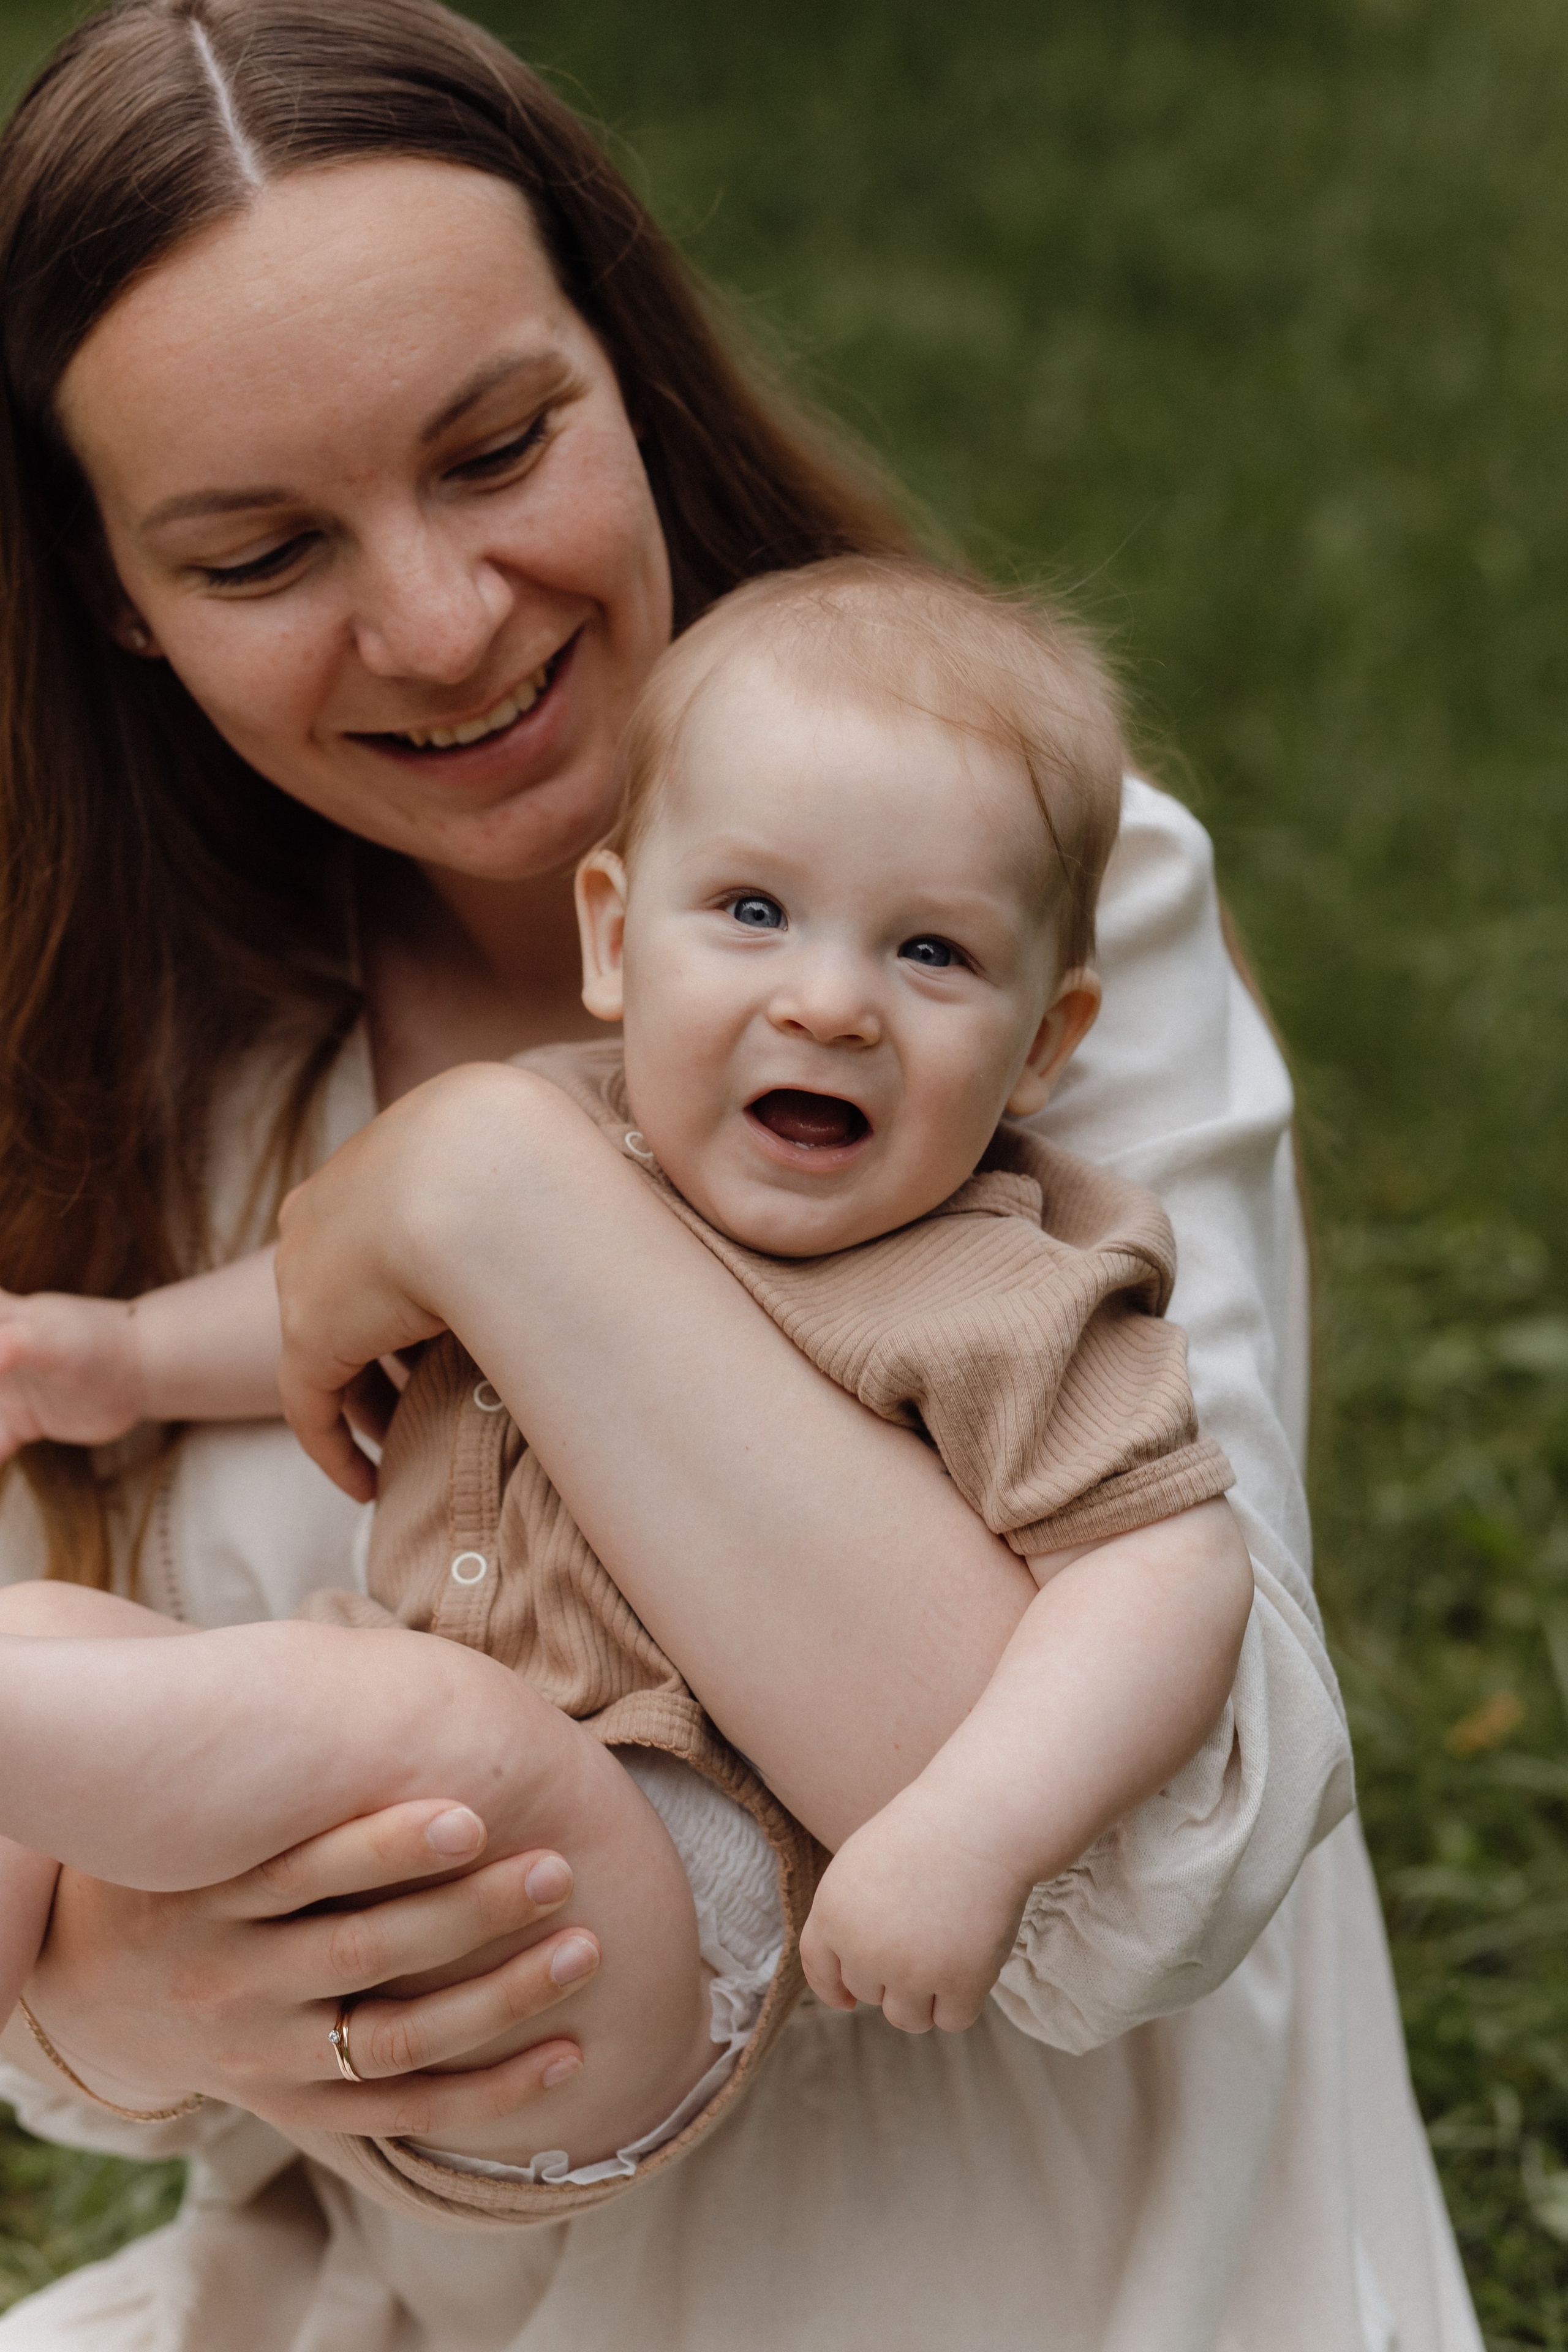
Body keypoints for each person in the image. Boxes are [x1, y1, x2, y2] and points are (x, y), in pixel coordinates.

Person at [0, 0, 1480, 2342]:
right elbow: (83, 1993)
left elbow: (1142, 1866)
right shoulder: (121, 1071)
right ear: (112, 589)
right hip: (427, 2284)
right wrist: (129, 2013)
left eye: (498, 448)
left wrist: (488, 1185)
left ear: (630, 376)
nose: (447, 621)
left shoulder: (999, 952)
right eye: (264, 549)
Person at [0, 556, 1252, 2199]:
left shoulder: (1003, 1289)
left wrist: (976, 1835)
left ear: (1043, 1043)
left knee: (407, 1715)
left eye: (932, 953)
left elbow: (1171, 1568)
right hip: (382, 1917)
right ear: (613, 937)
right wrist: (128, 1356)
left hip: (648, 1905)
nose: (829, 1000)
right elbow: (324, 1300)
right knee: (52, 1636)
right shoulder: (569, 1127)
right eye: (751, 912)